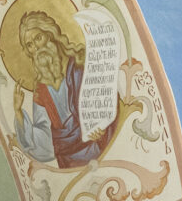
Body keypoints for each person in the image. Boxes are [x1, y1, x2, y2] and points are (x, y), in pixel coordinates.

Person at [10, 9, 115, 168]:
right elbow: (44, 137)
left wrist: (102, 127)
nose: (36, 48)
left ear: (50, 35)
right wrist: (18, 112)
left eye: (38, 38)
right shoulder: (41, 90)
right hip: (68, 159)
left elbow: (106, 95)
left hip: (97, 146)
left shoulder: (80, 64)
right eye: (29, 45)